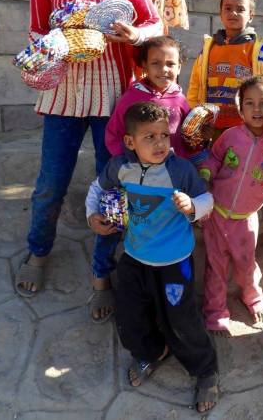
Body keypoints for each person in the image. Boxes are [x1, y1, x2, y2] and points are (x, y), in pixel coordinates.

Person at [14, 0, 161, 303]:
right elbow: (36, 30)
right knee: (50, 183)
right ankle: (39, 251)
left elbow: (155, 23)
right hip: (62, 95)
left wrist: (135, 34)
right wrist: (53, 44)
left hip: (112, 96)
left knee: (112, 184)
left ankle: (102, 272)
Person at [85, 102, 219, 412]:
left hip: (175, 262)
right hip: (134, 257)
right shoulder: (120, 167)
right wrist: (92, 215)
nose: (160, 143)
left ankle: (205, 370)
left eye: (164, 135)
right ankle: (151, 353)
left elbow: (207, 200)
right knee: (131, 315)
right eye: (150, 137)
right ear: (130, 142)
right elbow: (96, 188)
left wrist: (193, 206)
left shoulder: (179, 170)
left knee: (181, 319)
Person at [84, 36, 192, 322]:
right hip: (132, 179)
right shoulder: (132, 98)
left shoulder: (180, 100)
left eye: (170, 64)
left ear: (180, 66)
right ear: (143, 65)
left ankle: (162, 281)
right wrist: (132, 165)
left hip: (166, 185)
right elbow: (113, 135)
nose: (164, 69)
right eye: (156, 63)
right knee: (112, 225)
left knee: (160, 227)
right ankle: (101, 280)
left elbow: (185, 140)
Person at [199, 76, 263, 336]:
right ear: (240, 107)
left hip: (246, 219)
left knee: (246, 264)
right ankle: (215, 311)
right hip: (216, 214)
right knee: (215, 267)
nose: (256, 109)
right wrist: (205, 174)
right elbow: (214, 159)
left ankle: (252, 296)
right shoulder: (230, 136)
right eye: (249, 103)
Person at [187, 0, 263, 135]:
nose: (233, 13)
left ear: (251, 15)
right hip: (211, 130)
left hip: (247, 130)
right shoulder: (207, 50)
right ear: (220, 13)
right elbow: (194, 87)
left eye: (240, 9)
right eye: (228, 8)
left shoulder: (260, 52)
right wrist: (196, 119)